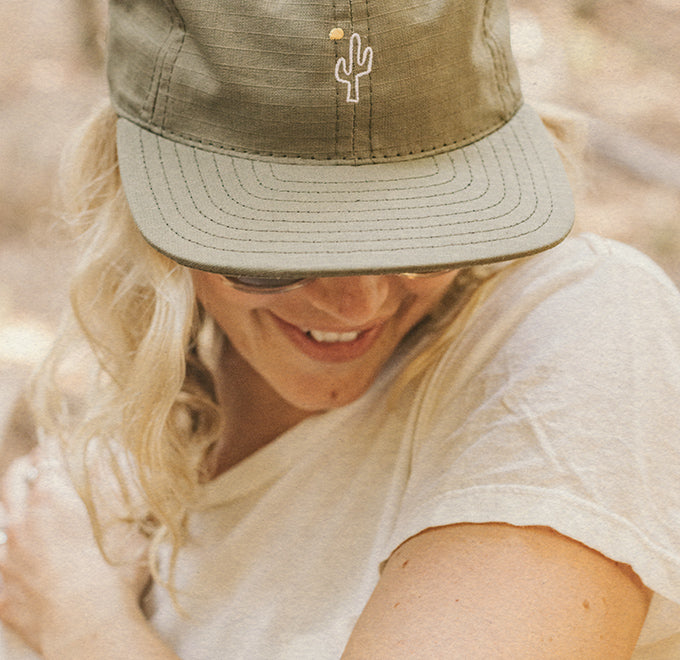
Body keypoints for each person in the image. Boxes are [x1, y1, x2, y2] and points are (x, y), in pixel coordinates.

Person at [1, 0, 680, 657]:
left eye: (424, 237)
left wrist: (84, 627)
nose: (358, 303)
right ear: (135, 185)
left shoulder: (580, 322)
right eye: (273, 250)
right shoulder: (127, 455)